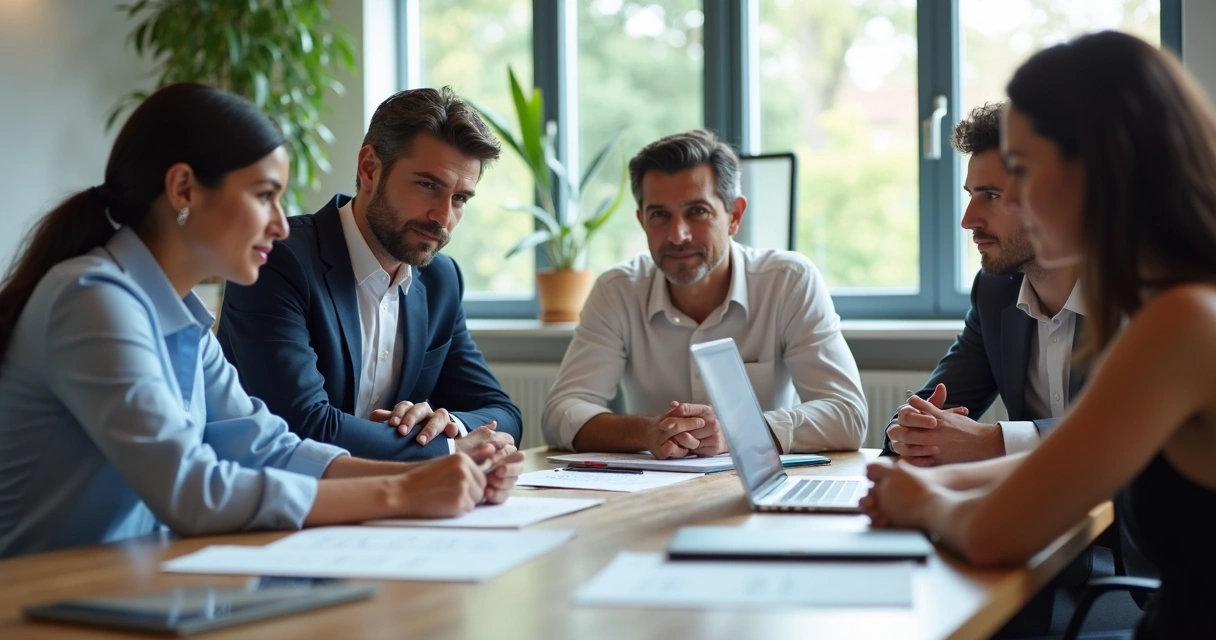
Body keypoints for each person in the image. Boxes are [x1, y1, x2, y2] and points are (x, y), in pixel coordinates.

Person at [0, 83, 522, 559]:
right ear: (183, 190)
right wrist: (403, 490)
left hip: (132, 583)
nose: (278, 223)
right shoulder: (91, 298)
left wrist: (448, 472)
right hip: (38, 598)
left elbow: (268, 447)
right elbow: (193, 490)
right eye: (263, 195)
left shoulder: (179, 318)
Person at [861, 31, 1216, 639]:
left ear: (1101, 168)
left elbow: (998, 533)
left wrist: (920, 501)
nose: (1005, 205)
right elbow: (1073, 458)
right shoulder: (1171, 296)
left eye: (1021, 170)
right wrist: (921, 478)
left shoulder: (1184, 320)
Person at [218, 87, 522, 462]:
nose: (443, 217)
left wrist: (449, 423)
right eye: (428, 186)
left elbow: (502, 412)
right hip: (274, 501)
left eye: (460, 199)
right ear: (370, 169)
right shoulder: (277, 259)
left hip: (389, 506)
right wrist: (447, 448)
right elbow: (302, 424)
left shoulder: (441, 280)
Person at [542, 129, 866, 458]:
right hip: (651, 491)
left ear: (734, 216)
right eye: (659, 215)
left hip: (763, 486)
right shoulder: (618, 291)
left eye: (697, 211)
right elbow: (560, 414)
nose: (678, 234)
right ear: (642, 221)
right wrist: (651, 430)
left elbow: (848, 416)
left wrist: (738, 431)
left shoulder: (790, 281)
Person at [884, 101, 1085, 467]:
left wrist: (995, 441)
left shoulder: (1139, 294)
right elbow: (926, 409)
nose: (967, 220)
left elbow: (1144, 434)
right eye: (970, 195)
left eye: (990, 196)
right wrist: (911, 429)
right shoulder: (995, 292)